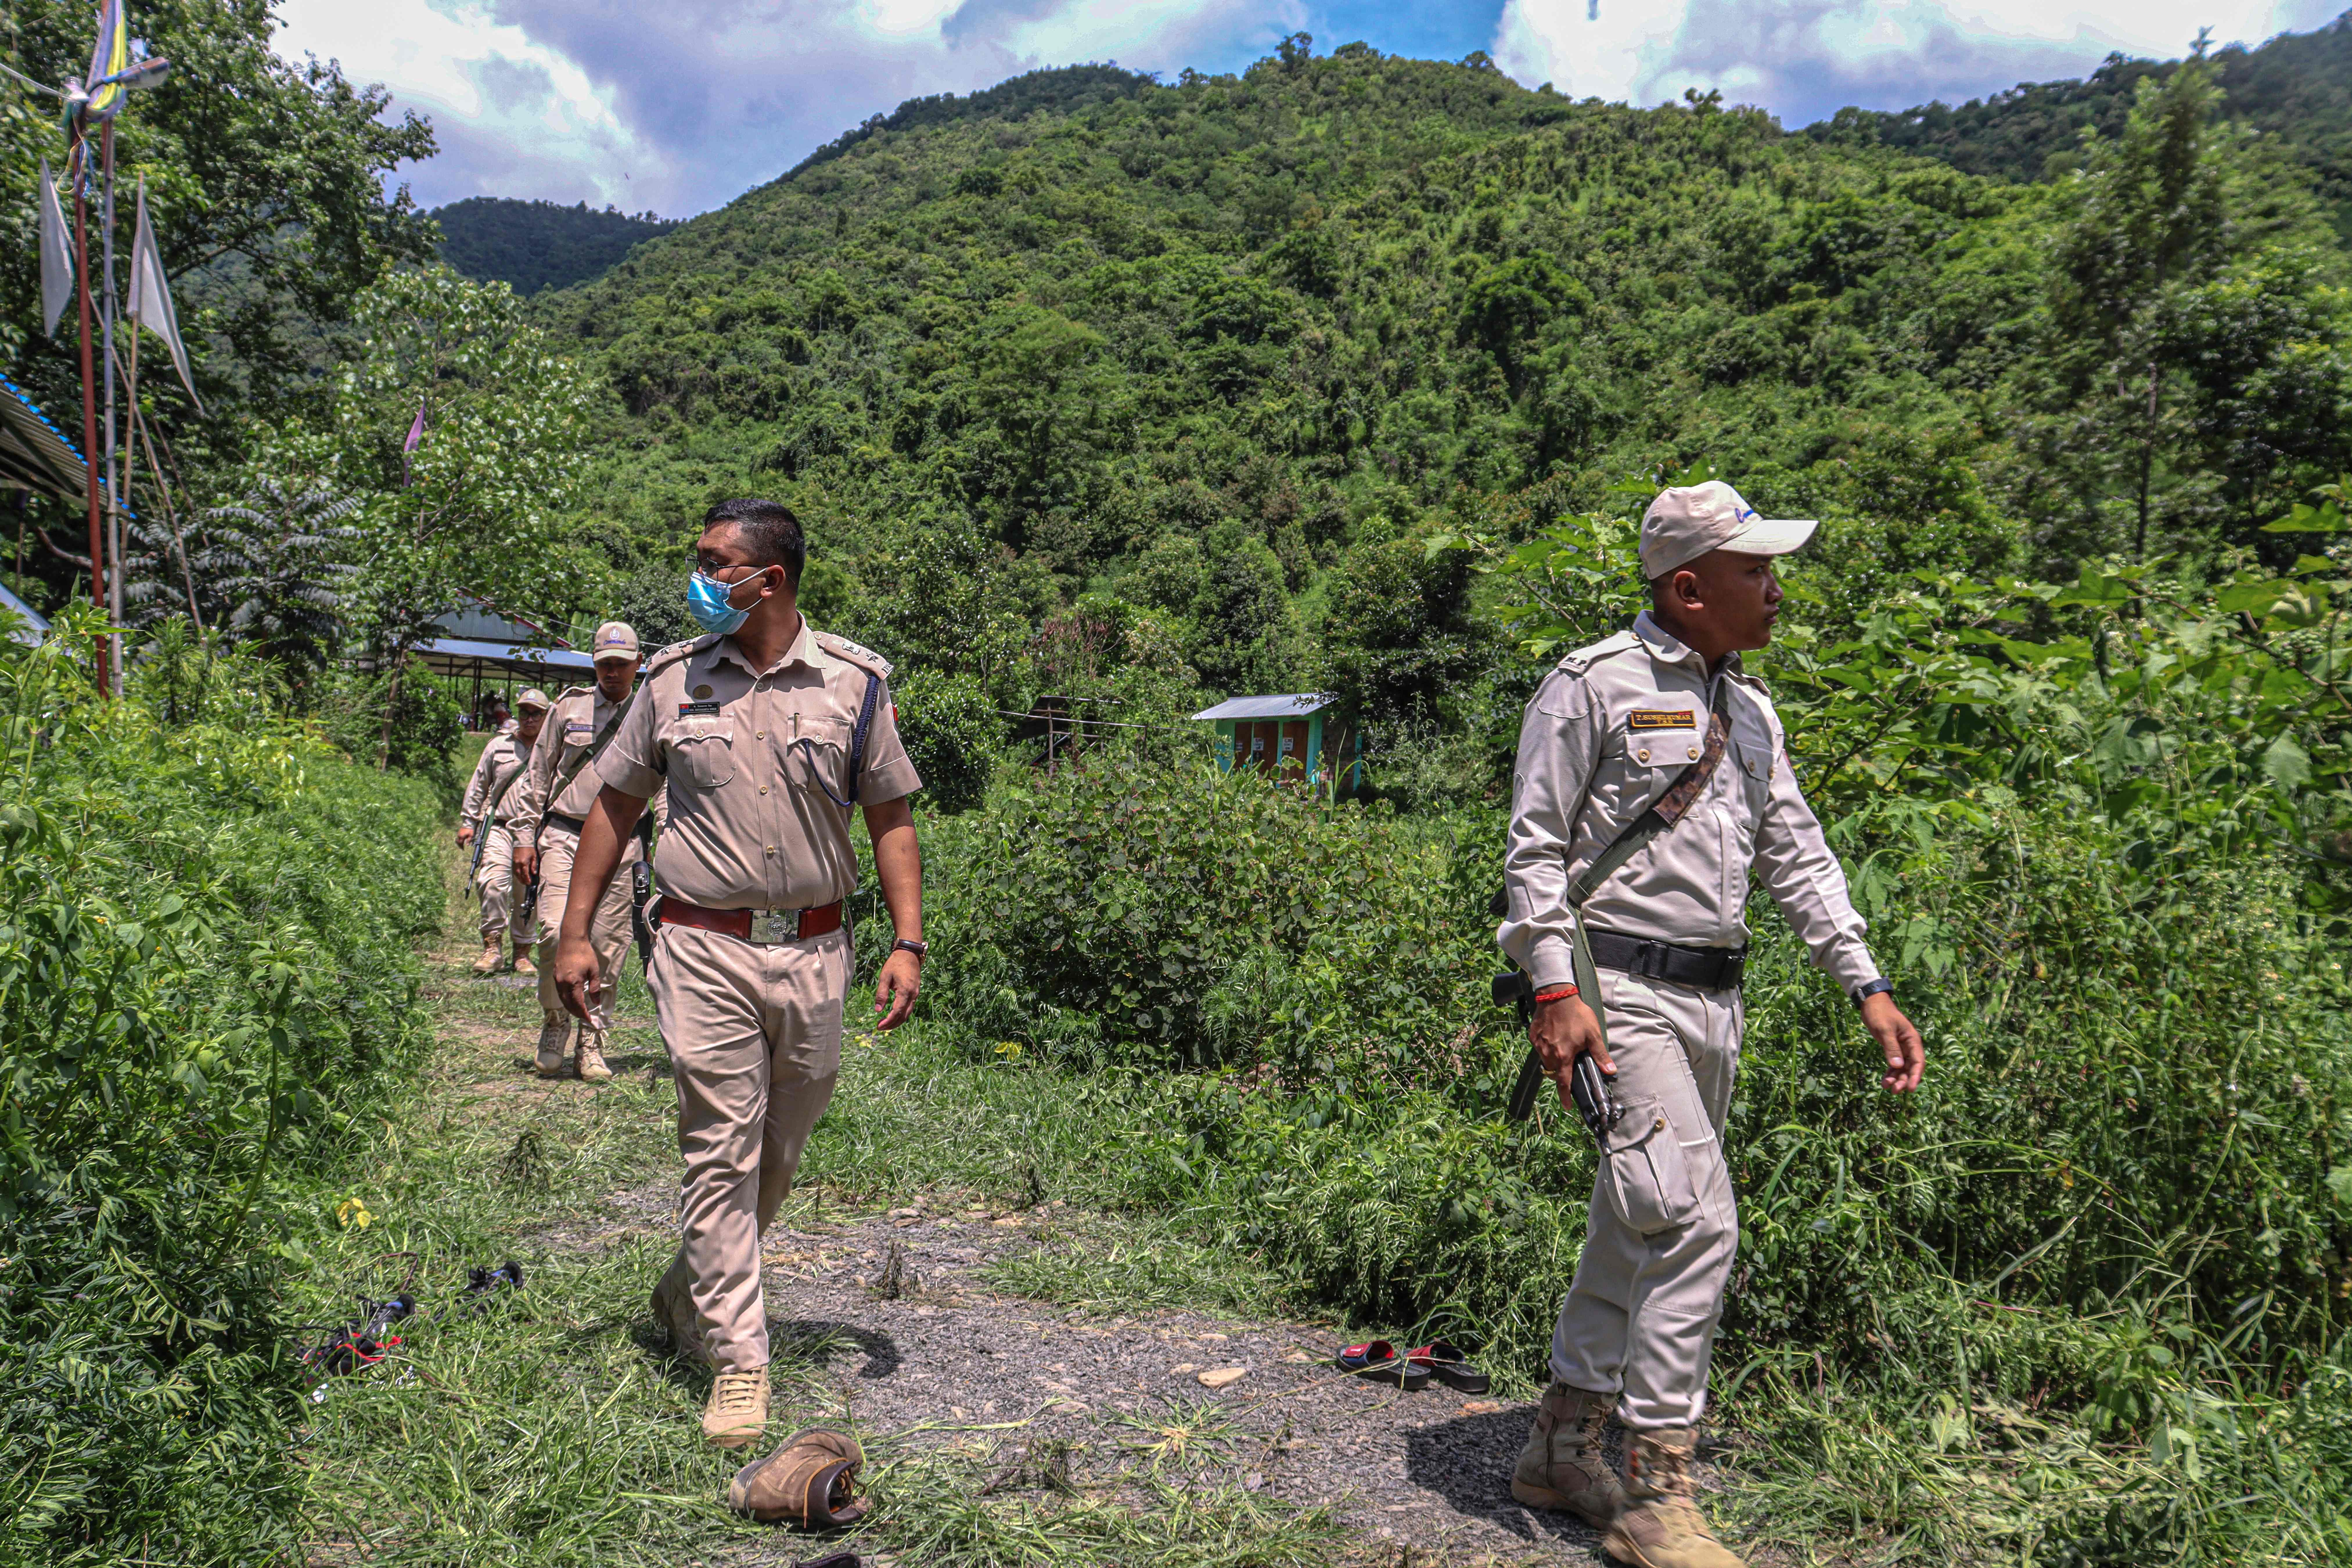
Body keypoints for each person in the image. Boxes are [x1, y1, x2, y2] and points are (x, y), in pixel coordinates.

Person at [1498, 481, 1925, 1568]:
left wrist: (1864, 980)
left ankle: (1558, 1441)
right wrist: (1554, 989)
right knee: (1693, 1217)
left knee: (1637, 1212)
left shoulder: (1748, 709)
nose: (1776, 589)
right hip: (1617, 991)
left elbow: (1797, 851)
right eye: (1755, 571)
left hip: (1714, 999)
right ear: (1688, 589)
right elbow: (1536, 852)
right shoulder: (1590, 686)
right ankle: (1655, 1487)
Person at [549, 498, 927, 1452]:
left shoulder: (854, 684)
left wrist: (909, 941)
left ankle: (688, 1291)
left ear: (772, 579)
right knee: (721, 1149)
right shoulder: (674, 681)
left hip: (815, 948)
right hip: (700, 943)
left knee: (780, 1152)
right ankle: (741, 1362)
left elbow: (891, 816)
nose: (701, 575)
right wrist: (575, 932)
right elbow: (614, 807)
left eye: (717, 563)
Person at [511, 624, 666, 1082]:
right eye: (605, 665)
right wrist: (524, 835)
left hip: (625, 841)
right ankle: (556, 1020)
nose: (613, 673)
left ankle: (592, 1040)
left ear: (638, 664)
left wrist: (667, 844)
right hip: (566, 834)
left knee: (609, 943)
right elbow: (538, 774)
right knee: (557, 932)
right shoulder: (569, 707)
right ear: (594, 665)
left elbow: (665, 785)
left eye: (621, 664)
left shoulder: (652, 712)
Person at [456, 689, 550, 976]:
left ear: (547, 718)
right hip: (500, 827)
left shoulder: (555, 749)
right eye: (524, 713)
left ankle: (522, 953)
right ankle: (492, 949)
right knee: (493, 883)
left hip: (537, 831)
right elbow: (479, 784)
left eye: (536, 714)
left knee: (529, 892)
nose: (529, 719)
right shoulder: (498, 747)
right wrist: (468, 822)